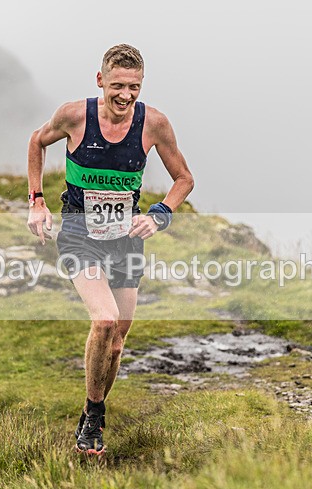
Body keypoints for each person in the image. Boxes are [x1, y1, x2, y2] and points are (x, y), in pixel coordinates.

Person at [27, 44, 194, 454]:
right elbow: (37, 141)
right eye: (118, 85)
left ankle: (92, 410)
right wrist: (36, 200)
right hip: (80, 232)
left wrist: (159, 215)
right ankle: (95, 417)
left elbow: (184, 179)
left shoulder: (154, 124)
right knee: (104, 321)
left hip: (126, 240)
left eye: (134, 87)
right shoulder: (74, 116)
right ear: (100, 80)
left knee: (117, 340)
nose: (126, 96)